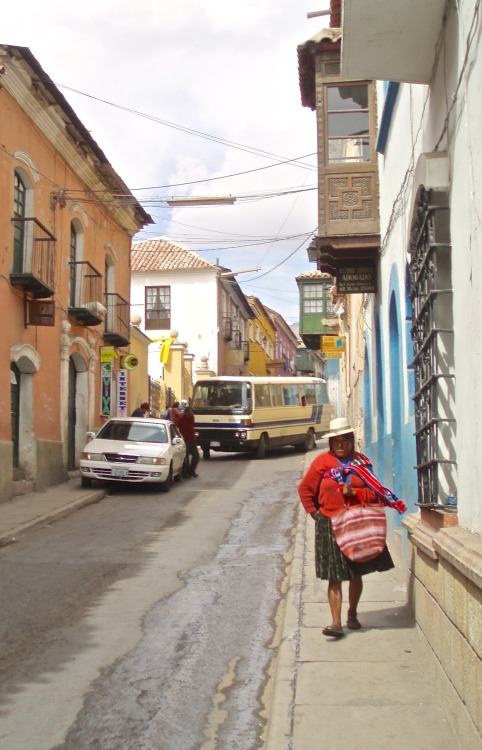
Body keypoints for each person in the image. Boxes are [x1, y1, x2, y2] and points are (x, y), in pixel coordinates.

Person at [298, 417, 406, 639]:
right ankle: (336, 623)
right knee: (334, 576)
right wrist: (315, 513)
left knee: (356, 573)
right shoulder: (321, 463)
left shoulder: (362, 464)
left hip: (357, 523)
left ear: (351, 441)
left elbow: (377, 493)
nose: (340, 445)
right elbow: (305, 489)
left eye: (344, 441)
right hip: (330, 524)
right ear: (330, 443)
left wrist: (355, 493)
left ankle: (352, 613)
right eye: (336, 441)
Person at [176, 405, 200, 478]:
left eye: (192, 412)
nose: (191, 414)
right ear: (186, 413)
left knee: (196, 456)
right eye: (189, 412)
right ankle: (185, 473)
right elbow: (176, 427)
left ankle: (192, 471)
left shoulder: (192, 418)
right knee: (185, 458)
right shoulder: (181, 419)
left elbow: (192, 426)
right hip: (185, 441)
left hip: (192, 440)